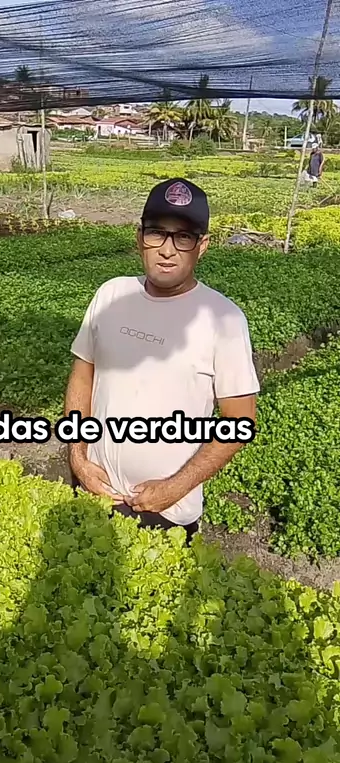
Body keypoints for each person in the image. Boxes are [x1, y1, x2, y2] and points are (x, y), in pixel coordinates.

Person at [65, 177, 260, 545]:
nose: (167, 250)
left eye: (183, 237)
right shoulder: (110, 294)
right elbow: (81, 378)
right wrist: (78, 458)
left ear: (202, 246)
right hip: (94, 490)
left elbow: (240, 422)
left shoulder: (224, 319)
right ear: (140, 238)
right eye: (157, 233)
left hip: (166, 512)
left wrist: (176, 487)